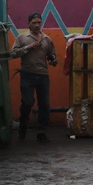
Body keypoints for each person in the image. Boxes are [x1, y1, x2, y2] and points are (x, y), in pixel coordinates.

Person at [12, 12, 58, 142]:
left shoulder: (47, 39)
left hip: (43, 75)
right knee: (27, 102)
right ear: (28, 24)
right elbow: (14, 53)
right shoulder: (22, 38)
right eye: (34, 23)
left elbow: (52, 56)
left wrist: (53, 61)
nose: (37, 25)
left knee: (44, 104)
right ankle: (23, 125)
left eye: (39, 22)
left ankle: (41, 131)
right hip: (27, 74)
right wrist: (28, 47)